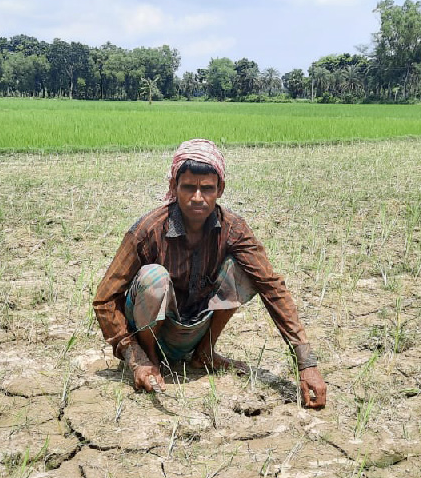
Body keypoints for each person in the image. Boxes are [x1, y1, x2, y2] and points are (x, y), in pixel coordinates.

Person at [93, 139, 327, 409]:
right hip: (150, 332)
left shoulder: (233, 229)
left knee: (247, 270)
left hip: (194, 328)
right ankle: (152, 360)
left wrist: (306, 364)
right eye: (189, 187)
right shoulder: (149, 230)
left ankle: (204, 353)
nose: (197, 198)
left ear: (220, 190)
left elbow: (272, 288)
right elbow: (104, 299)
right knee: (154, 278)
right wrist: (135, 356)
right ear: (174, 187)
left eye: (207, 189)